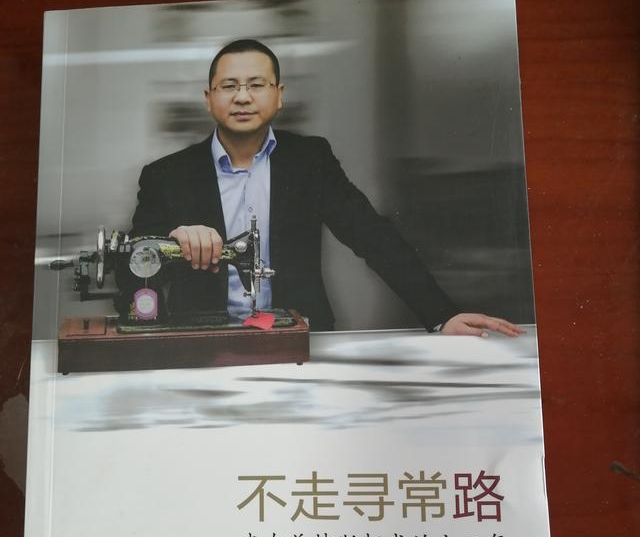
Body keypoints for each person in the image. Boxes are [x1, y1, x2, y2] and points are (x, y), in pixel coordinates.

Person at [129, 39, 523, 337]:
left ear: (279, 96)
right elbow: (130, 270)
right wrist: (167, 244)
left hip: (301, 341)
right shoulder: (166, 175)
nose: (243, 97)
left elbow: (373, 236)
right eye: (229, 86)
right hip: (200, 342)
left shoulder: (309, 160)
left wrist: (441, 315)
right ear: (209, 99)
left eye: (257, 85)